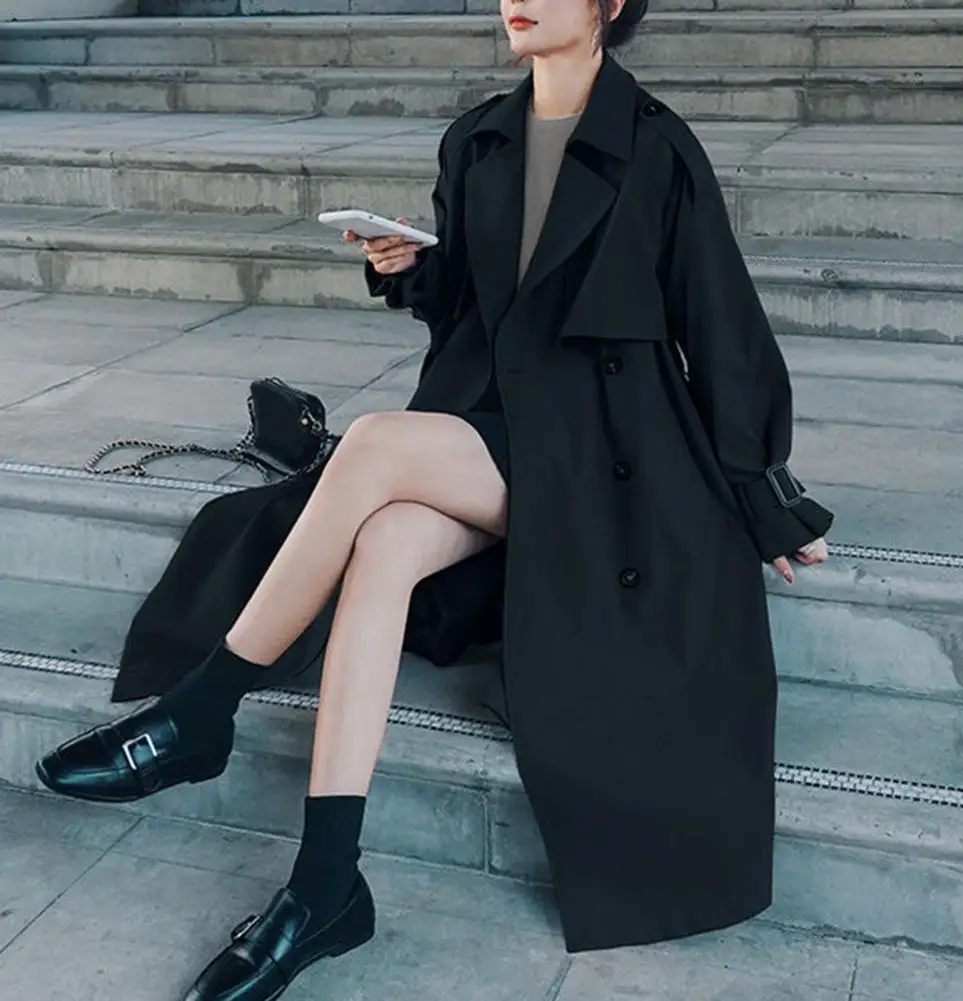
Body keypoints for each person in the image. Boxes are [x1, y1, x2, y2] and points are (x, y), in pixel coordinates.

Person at [33, 0, 834, 997]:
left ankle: (202, 708)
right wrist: (411, 269)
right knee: (383, 544)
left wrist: (763, 492)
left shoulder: (658, 147)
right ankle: (324, 885)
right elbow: (477, 309)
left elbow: (720, 323)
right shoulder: (479, 138)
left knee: (373, 444)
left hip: (613, 453)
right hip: (502, 427)